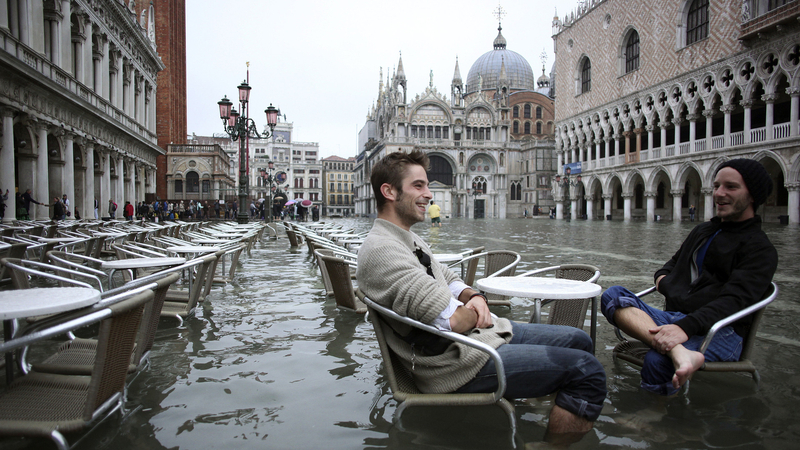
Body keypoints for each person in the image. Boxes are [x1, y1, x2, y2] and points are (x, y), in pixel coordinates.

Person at [356, 150, 606, 440]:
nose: (429, 194)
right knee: (587, 370)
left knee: (579, 339)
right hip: (456, 364)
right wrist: (475, 312)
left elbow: (446, 277)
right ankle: (555, 445)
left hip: (475, 341)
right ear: (389, 191)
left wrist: (473, 295)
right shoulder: (382, 250)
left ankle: (558, 402)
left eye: (427, 185)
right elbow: (455, 322)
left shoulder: (406, 237)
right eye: (419, 186)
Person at [601, 159, 778, 396]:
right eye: (716, 186)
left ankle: (656, 419)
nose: (719, 193)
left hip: (721, 330)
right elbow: (668, 268)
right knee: (613, 295)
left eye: (731, 187)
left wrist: (685, 326)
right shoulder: (703, 231)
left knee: (657, 361)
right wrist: (670, 289)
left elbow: (732, 302)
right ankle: (679, 353)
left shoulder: (760, 249)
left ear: (753, 195)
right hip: (676, 319)